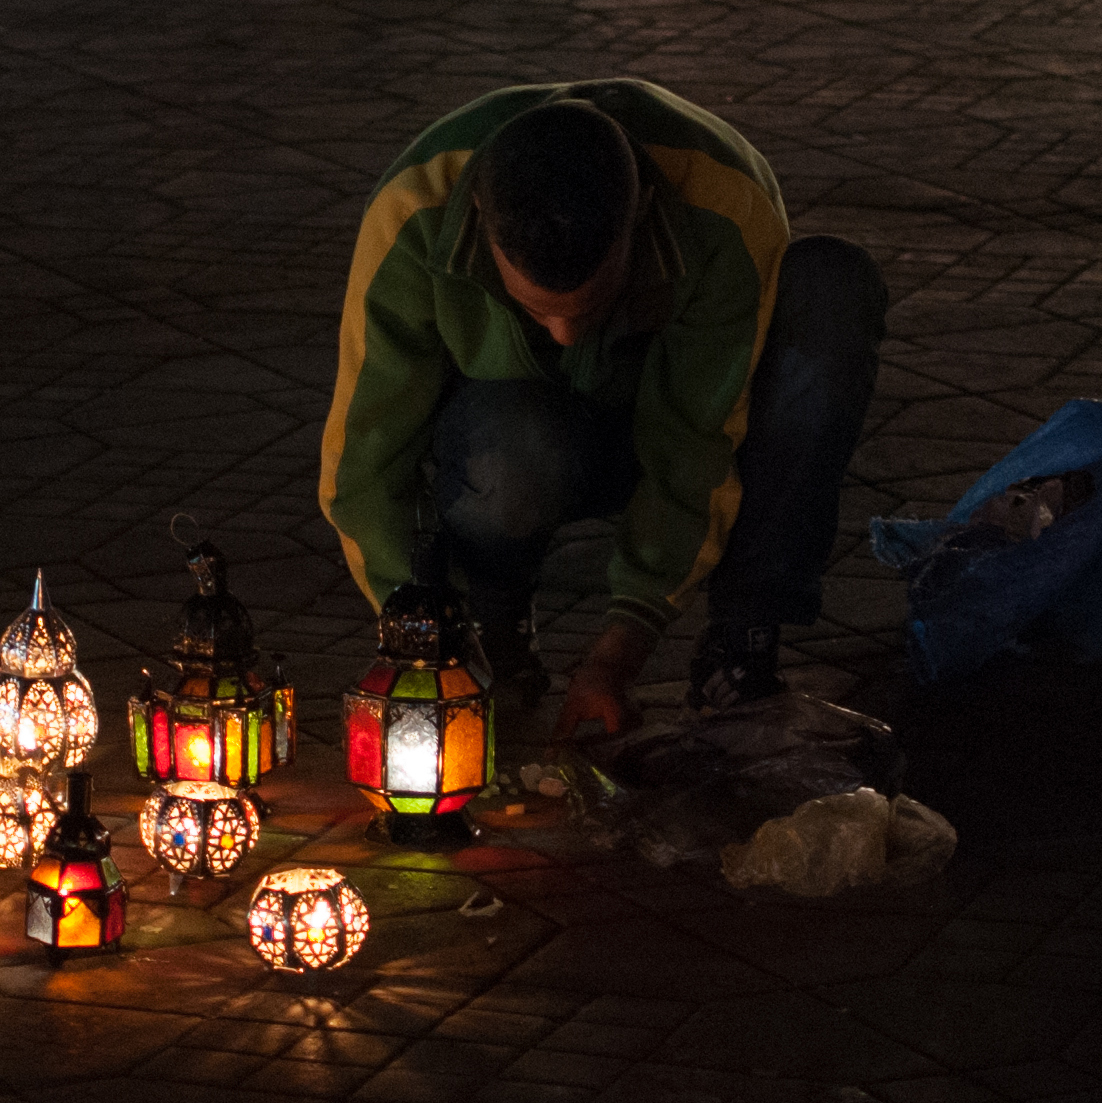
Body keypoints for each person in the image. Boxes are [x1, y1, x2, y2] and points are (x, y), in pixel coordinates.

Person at [318, 79, 888, 733]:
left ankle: (741, 643)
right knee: (517, 449)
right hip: (515, 433)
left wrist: (618, 656)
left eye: (589, 307)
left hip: (665, 413)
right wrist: (418, 633)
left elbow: (695, 440)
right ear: (480, 214)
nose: (565, 335)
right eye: (538, 314)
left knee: (831, 289)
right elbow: (366, 454)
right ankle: (490, 633)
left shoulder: (725, 202)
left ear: (641, 209)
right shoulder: (414, 207)